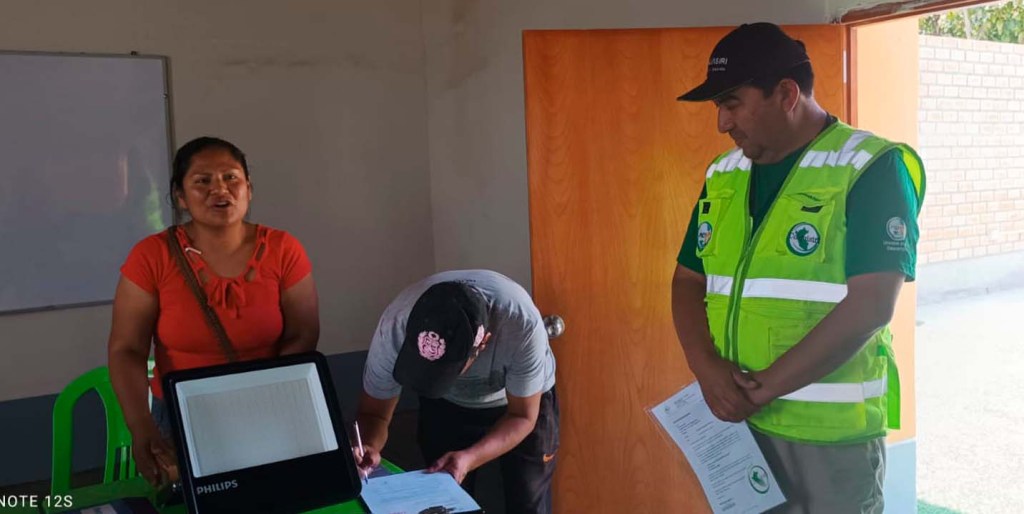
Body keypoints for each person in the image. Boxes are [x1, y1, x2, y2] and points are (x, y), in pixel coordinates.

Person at [670, 23, 925, 513]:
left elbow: (872, 304)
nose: (722, 123)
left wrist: (761, 389)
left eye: (732, 103)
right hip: (740, 430)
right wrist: (706, 369)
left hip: (828, 439)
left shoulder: (869, 166)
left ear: (787, 94)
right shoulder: (724, 174)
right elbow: (687, 280)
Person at [107, 136, 320, 486]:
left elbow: (304, 333)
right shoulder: (151, 256)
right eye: (202, 181)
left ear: (249, 189)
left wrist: (266, 392)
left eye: (231, 178)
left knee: (273, 495)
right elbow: (126, 349)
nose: (220, 189)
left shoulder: (284, 249)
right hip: (182, 417)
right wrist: (142, 427)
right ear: (180, 196)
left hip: (268, 408)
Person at [355, 270, 558, 514]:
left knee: (527, 501)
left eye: (443, 371)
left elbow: (522, 416)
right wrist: (369, 445)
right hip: (446, 405)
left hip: (523, 403)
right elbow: (374, 414)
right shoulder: (395, 326)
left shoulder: (521, 325)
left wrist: (470, 458)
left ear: (483, 344)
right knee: (445, 501)